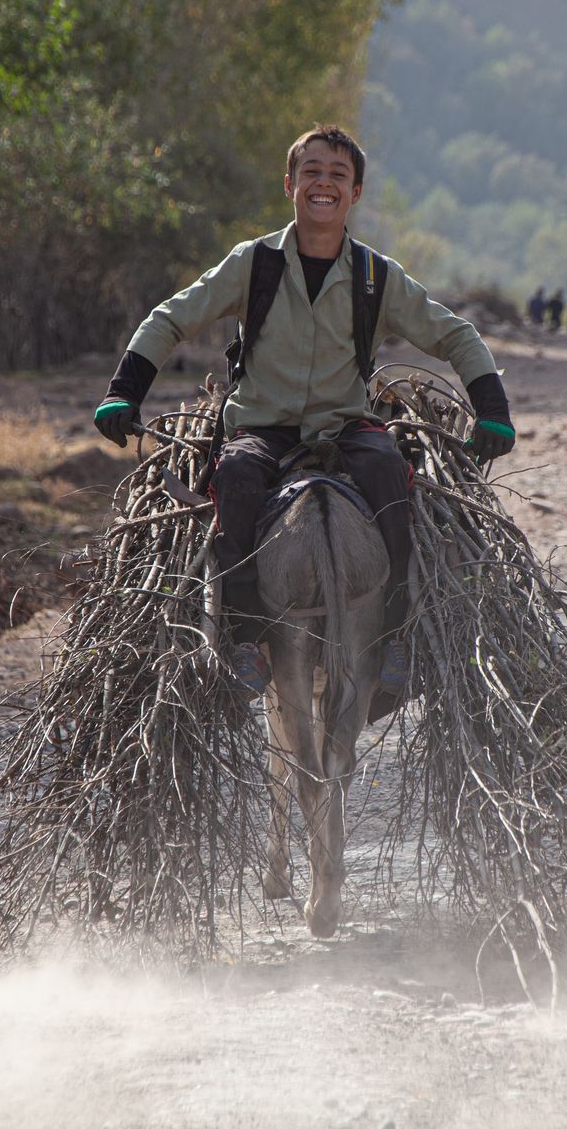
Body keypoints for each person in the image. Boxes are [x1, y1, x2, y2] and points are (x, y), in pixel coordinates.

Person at [92, 124, 516, 705]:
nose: (324, 184)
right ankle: (244, 640)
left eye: (339, 175)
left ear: (356, 193)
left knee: (393, 478)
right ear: (290, 184)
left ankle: (395, 637)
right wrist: (124, 392)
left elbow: (458, 336)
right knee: (235, 479)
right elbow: (170, 318)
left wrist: (492, 411)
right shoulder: (254, 265)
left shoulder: (376, 277)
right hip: (260, 430)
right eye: (312, 172)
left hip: (347, 429)